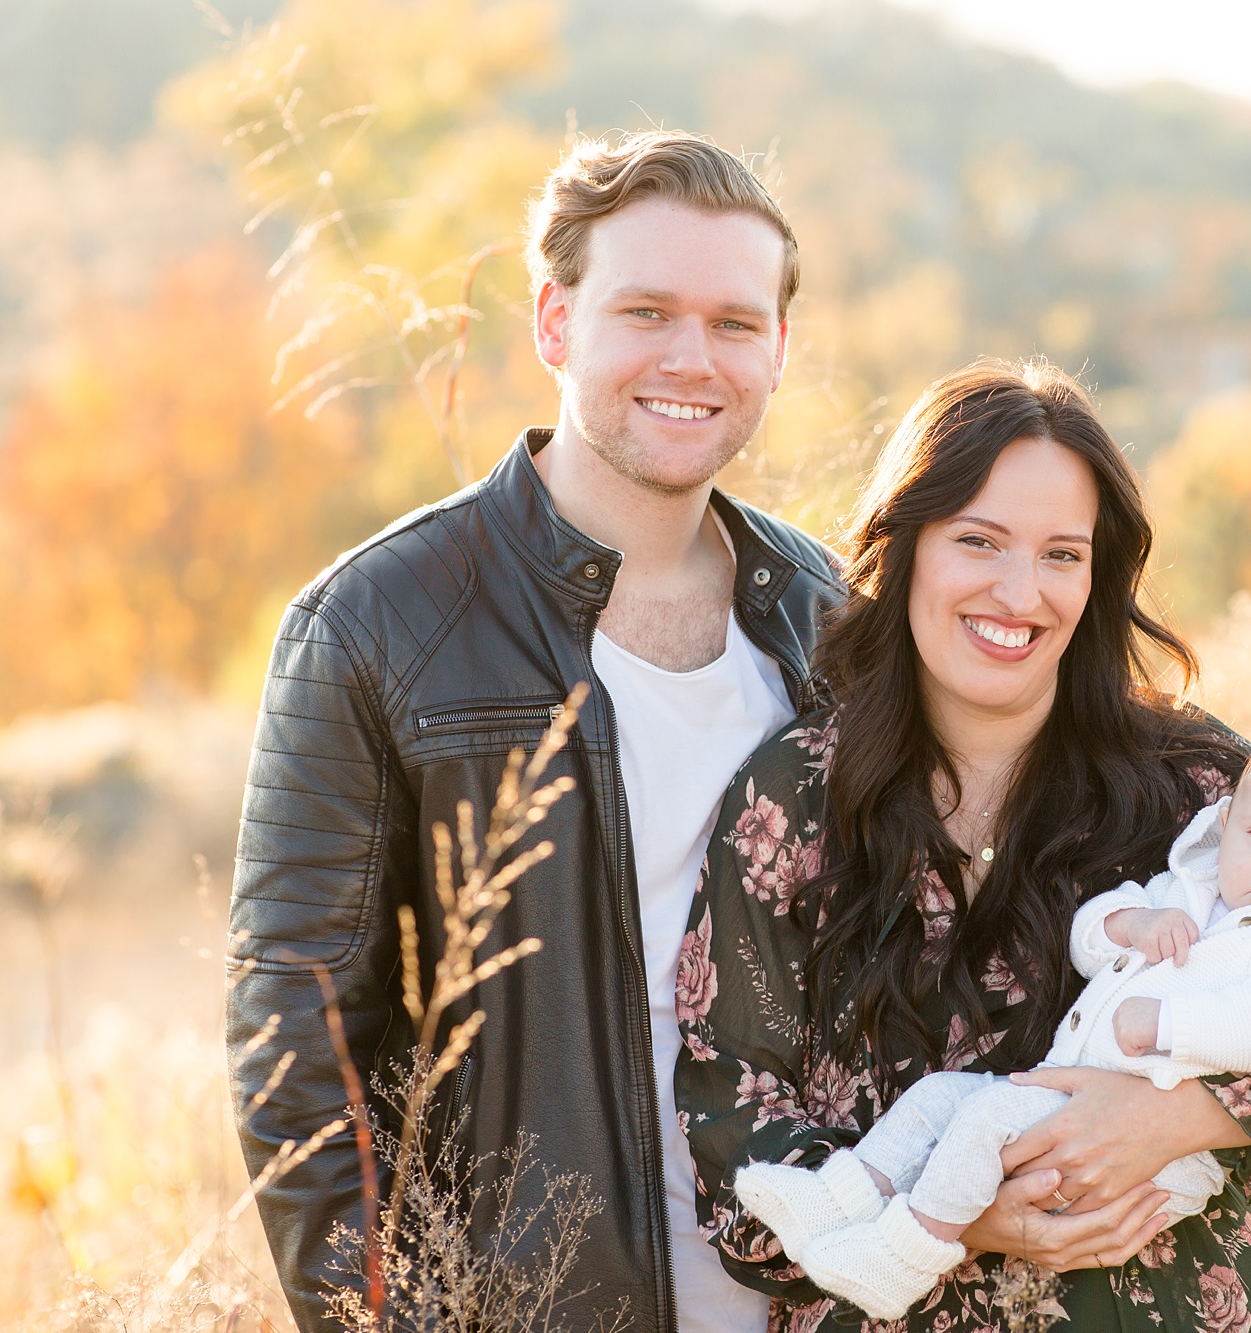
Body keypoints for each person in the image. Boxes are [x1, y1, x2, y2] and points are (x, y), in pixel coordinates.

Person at [675, 360, 1251, 1331]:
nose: (1020, 592)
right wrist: (969, 1218)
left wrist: (1178, 1116)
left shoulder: (1193, 787)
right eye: (978, 540)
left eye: (1061, 554)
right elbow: (736, 1144)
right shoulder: (795, 799)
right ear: (907, 545)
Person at [226, 131, 840, 1332]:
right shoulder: (379, 622)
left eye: (732, 322)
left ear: (778, 347)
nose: (690, 357)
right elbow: (296, 1054)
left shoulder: (827, 615)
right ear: (555, 323)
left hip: (826, 1297)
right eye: (646, 312)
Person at [730, 728, 1251, 1319]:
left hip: (1159, 1161)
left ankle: (903, 1255)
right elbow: (1087, 938)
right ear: (1228, 823)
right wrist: (1132, 923)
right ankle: (843, 1199)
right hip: (1065, 1088)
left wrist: (1169, 1027)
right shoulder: (1196, 890)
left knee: (983, 1124)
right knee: (938, 1098)